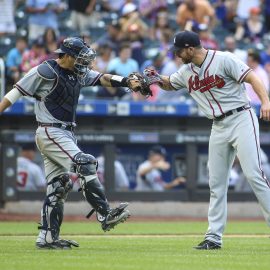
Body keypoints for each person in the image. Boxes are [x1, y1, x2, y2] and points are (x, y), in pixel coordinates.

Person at [0, 37, 138, 249]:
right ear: (65, 55)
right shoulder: (45, 71)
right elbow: (15, 92)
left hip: (64, 132)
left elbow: (103, 78)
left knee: (60, 185)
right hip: (50, 130)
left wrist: (127, 81)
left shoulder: (78, 73)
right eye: (79, 57)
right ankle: (104, 214)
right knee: (86, 163)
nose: (84, 62)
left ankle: (47, 238)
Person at [141, 30, 270, 249]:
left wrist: (266, 102)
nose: (178, 56)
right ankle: (213, 237)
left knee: (254, 174)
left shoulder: (224, 59)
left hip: (241, 117)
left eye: (180, 51)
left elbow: (252, 77)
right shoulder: (186, 71)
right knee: (216, 183)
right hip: (218, 125)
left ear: (191, 48)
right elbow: (170, 83)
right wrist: (155, 78)